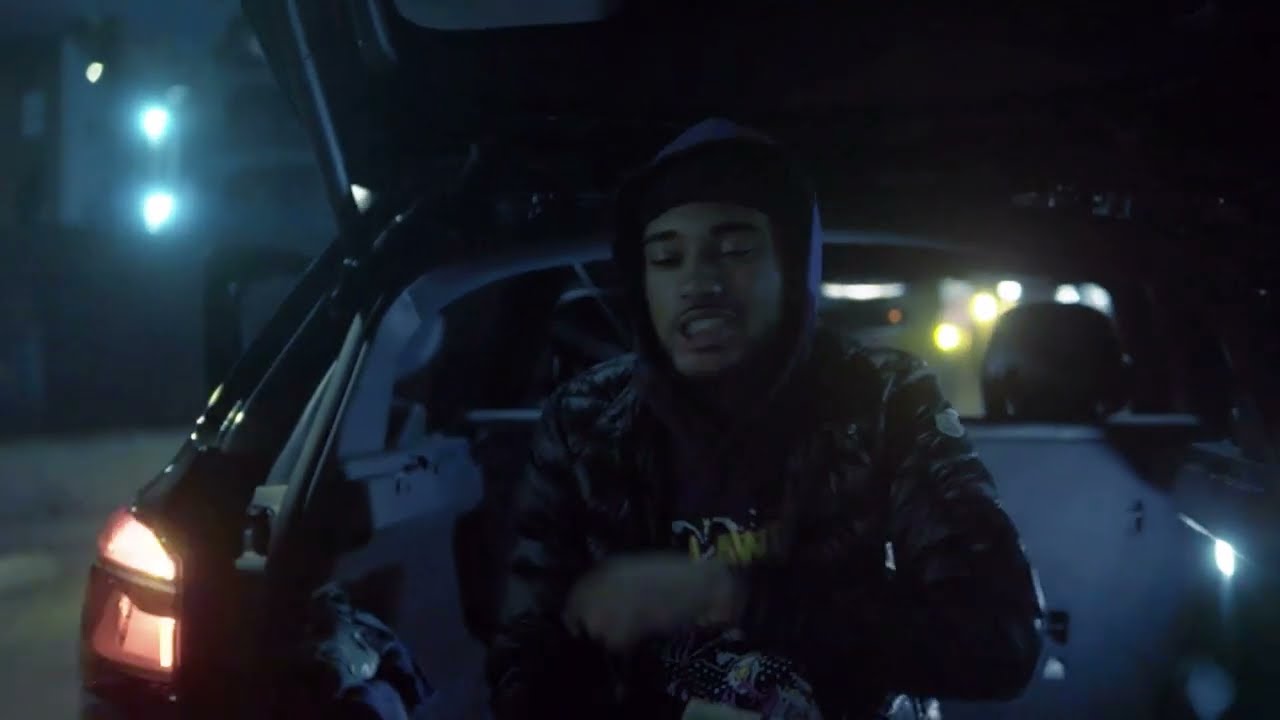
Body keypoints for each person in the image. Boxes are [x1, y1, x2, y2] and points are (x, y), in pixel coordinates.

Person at [486, 119, 1044, 719]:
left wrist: (731, 595)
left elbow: (1000, 641)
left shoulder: (882, 398)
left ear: (792, 267)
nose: (698, 282)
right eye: (666, 258)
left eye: (735, 251)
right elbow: (524, 664)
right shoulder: (584, 420)